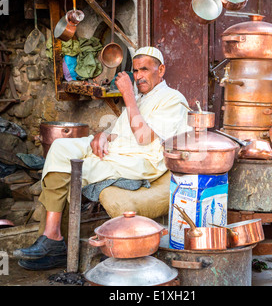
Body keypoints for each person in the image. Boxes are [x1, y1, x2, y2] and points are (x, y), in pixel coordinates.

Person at [14, 46, 190, 270]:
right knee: (59, 147)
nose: (138, 77)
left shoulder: (173, 99)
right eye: (135, 71)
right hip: (118, 150)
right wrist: (103, 135)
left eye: (144, 70)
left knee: (76, 168)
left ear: (161, 70)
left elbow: (144, 138)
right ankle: (52, 235)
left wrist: (127, 94)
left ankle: (53, 242)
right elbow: (120, 131)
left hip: (140, 161)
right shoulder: (141, 98)